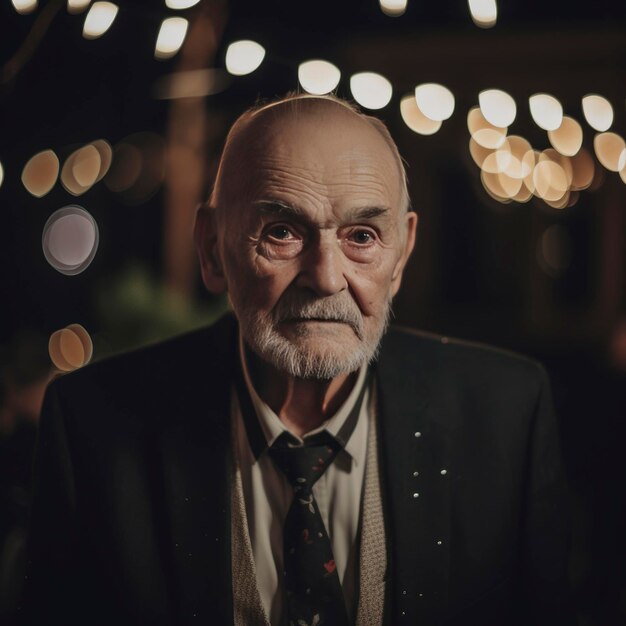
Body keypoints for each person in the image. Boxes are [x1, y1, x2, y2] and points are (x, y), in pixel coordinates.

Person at [19, 94, 573, 626]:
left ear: (401, 255)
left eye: (362, 236)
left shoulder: (507, 416)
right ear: (213, 249)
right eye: (281, 232)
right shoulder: (92, 427)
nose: (327, 277)